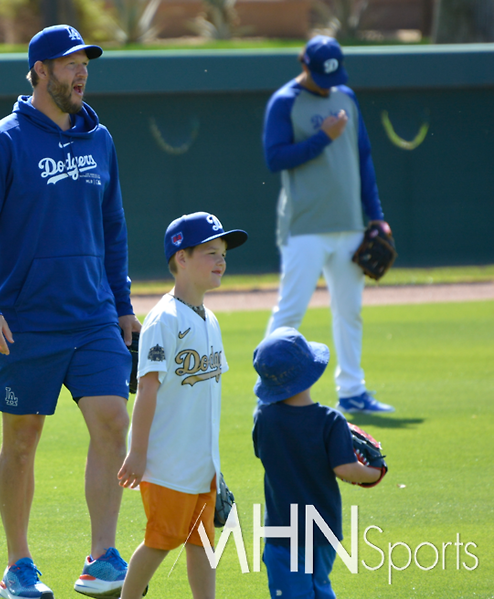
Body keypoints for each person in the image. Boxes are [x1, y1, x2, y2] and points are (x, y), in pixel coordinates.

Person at [0, 24, 142, 599]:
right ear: (39, 70)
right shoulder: (2, 141)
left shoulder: (100, 140)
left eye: (85, 62)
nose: (81, 71)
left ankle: (104, 556)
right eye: (68, 63)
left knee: (113, 421)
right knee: (21, 440)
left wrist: (123, 306)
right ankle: (19, 566)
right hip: (26, 320)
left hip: (93, 317)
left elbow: (113, 227)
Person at [117, 212, 247, 599]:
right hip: (168, 463)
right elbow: (147, 390)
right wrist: (137, 452)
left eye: (223, 252)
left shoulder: (211, 320)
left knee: (201, 543)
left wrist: (215, 464)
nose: (221, 260)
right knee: (161, 541)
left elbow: (207, 398)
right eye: (210, 252)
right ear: (181, 258)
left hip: (201, 464)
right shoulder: (163, 319)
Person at [262, 35, 395, 414]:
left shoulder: (346, 97)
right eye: (321, 74)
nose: (328, 82)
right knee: (291, 312)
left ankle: (353, 390)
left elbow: (363, 158)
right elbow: (275, 158)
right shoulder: (285, 102)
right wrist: (323, 137)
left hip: (350, 224)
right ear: (304, 65)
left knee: (349, 310)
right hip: (304, 226)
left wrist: (377, 216)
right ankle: (269, 386)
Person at [252, 327, 383, 599]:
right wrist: (374, 472)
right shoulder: (330, 421)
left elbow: (262, 451)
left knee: (292, 593)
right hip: (323, 527)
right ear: (310, 375)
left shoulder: (264, 418)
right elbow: (345, 470)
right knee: (320, 586)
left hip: (282, 530)